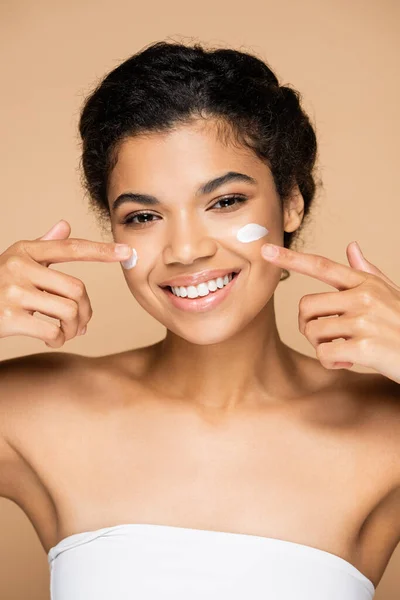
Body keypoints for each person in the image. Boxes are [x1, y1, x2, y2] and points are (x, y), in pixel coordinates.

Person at [0, 39, 399, 600]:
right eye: (143, 215)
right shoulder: (35, 412)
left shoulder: (386, 432)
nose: (185, 250)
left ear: (290, 202)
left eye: (225, 201)